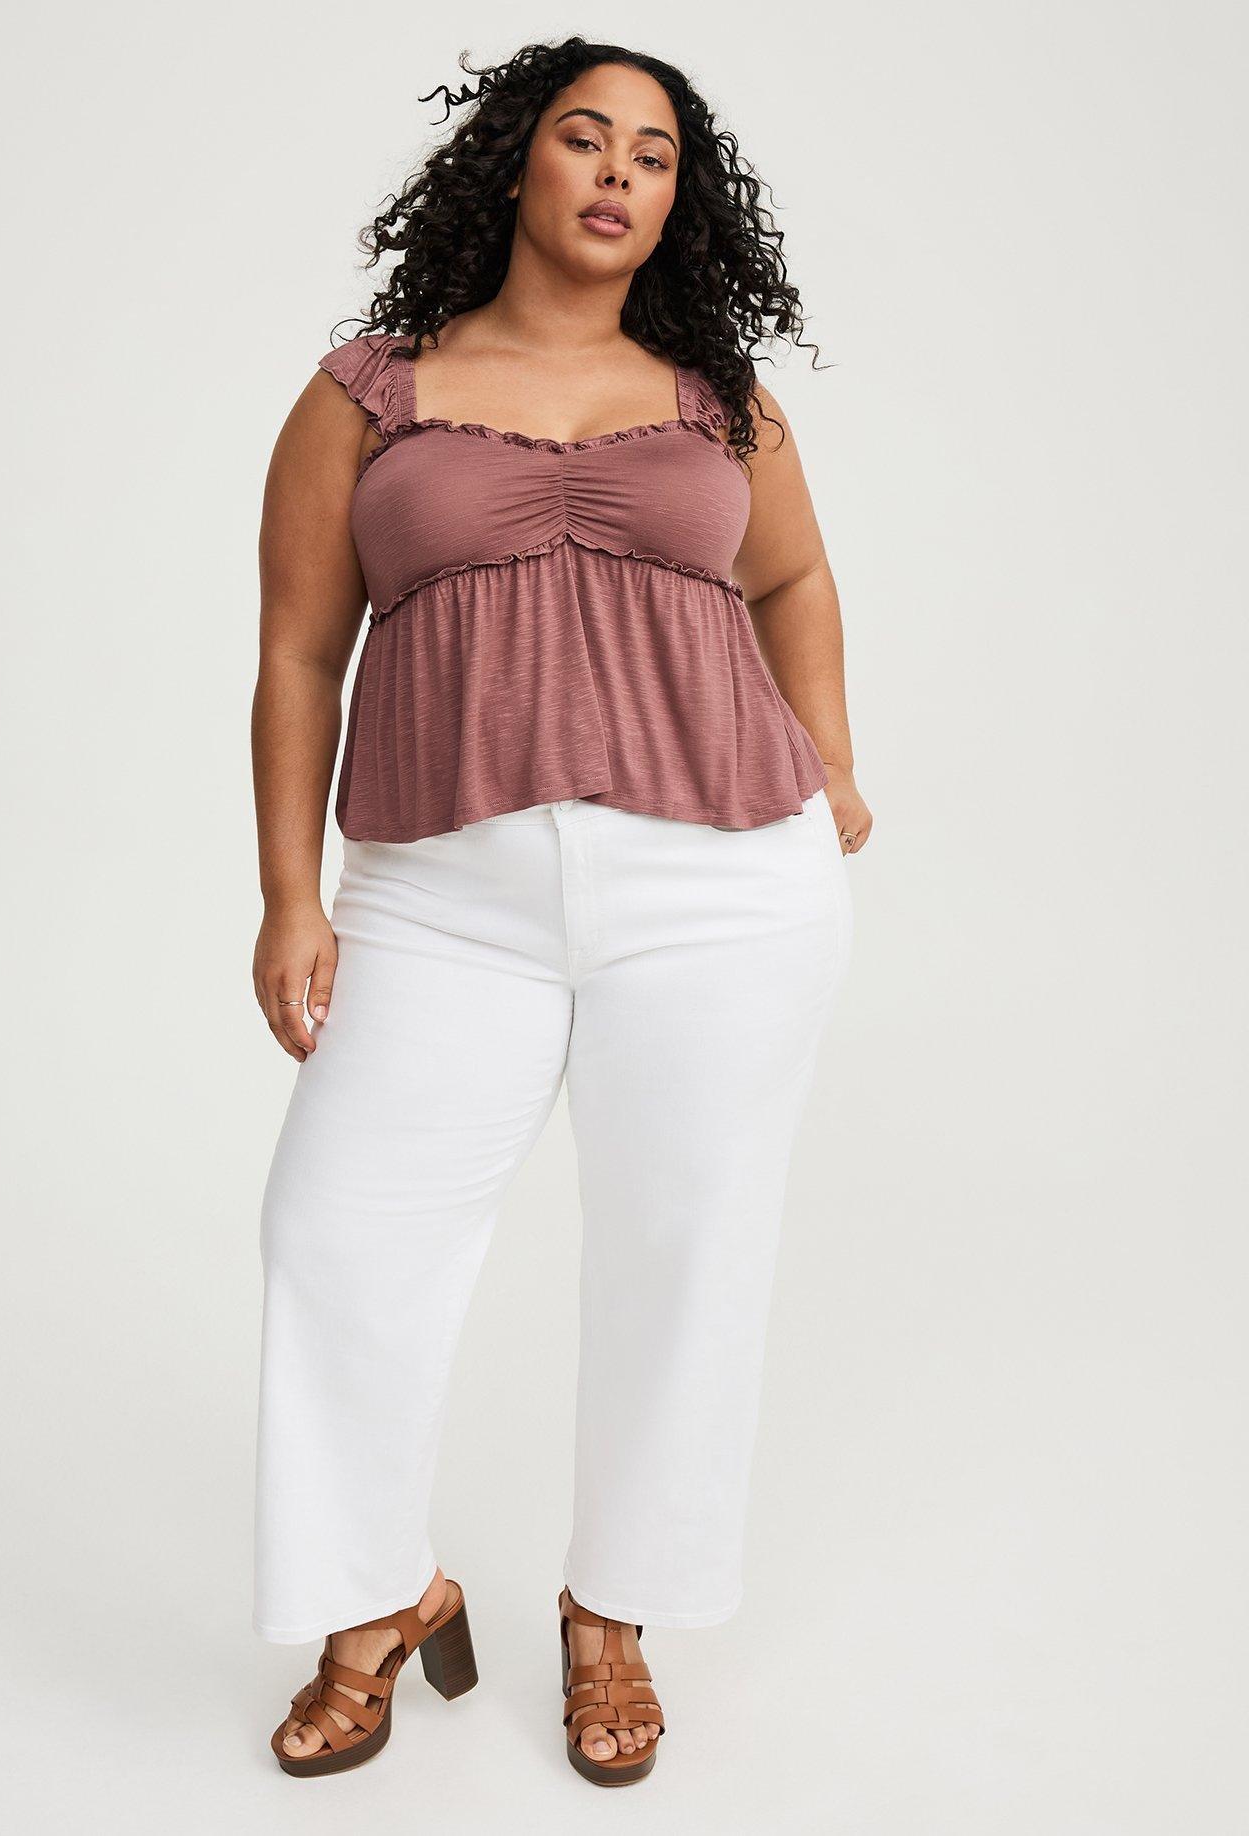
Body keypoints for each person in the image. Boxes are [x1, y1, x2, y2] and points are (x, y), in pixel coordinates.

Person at [249, 37, 872, 1788]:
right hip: (441, 892)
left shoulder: (717, 398)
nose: (617, 173)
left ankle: (615, 1614)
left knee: (689, 1245)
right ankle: (376, 1597)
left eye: (653, 156)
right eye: (585, 139)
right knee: (335, 1237)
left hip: (721, 884)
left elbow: (795, 574)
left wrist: (830, 761)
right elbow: (298, 653)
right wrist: (290, 894)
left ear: (677, 203)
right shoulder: (370, 394)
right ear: (514, 164)